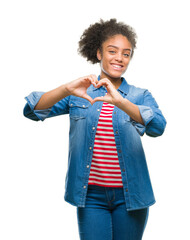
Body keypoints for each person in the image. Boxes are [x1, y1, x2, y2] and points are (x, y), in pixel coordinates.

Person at [23, 18, 167, 240]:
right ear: (99, 53)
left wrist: (121, 102)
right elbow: (31, 110)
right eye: (112, 51)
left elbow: (158, 127)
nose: (119, 58)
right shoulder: (81, 92)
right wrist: (66, 89)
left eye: (126, 54)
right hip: (90, 196)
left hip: (131, 195)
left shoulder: (140, 95)